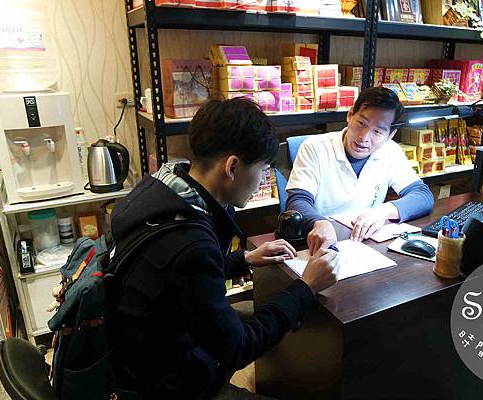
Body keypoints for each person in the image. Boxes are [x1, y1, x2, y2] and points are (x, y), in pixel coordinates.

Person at [109, 98, 339, 399]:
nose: (263, 180)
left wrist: (245, 258)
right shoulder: (190, 243)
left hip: (139, 352)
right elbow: (239, 347)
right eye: (263, 169)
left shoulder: (162, 187)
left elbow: (176, 280)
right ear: (232, 167)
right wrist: (306, 287)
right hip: (163, 383)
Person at [286, 87, 434, 254]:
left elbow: (423, 196)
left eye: (377, 131)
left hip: (365, 243)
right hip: (321, 242)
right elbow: (297, 201)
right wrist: (318, 222)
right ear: (350, 115)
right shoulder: (315, 147)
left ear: (391, 134)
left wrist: (384, 211)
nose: (364, 137)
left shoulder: (390, 151)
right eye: (361, 123)